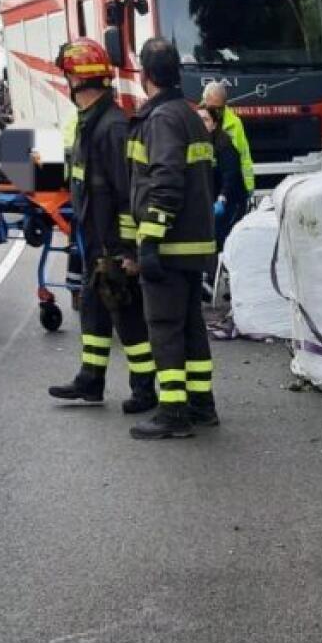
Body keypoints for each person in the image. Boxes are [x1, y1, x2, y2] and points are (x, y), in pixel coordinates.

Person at [46, 39, 157, 414]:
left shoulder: (112, 127)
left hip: (112, 243)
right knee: (93, 308)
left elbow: (128, 195)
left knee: (127, 315)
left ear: (76, 79)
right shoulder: (89, 122)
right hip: (93, 239)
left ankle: (144, 389)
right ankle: (90, 380)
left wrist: (126, 250)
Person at [128, 38, 219, 439]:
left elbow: (165, 183)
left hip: (170, 243)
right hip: (195, 243)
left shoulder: (162, 119)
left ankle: (172, 412)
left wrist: (149, 239)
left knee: (164, 327)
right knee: (191, 327)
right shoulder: (190, 115)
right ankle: (202, 405)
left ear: (145, 75)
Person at [198, 104, 249, 250]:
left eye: (205, 120)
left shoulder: (224, 145)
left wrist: (222, 198)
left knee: (224, 242)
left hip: (229, 203)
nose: (201, 124)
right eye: (198, 120)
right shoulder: (195, 144)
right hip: (209, 203)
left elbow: (230, 174)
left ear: (214, 124)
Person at [200, 82, 255, 194]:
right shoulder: (196, 118)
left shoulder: (234, 123)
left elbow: (244, 155)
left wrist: (249, 185)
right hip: (205, 183)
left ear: (225, 104)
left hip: (228, 183)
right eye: (212, 107)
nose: (215, 112)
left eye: (219, 108)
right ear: (204, 101)